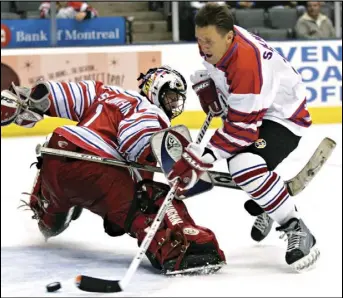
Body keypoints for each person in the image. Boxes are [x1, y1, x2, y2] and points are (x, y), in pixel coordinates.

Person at [0, 66, 225, 274]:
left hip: (57, 154)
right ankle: (181, 249)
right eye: (170, 96)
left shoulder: (104, 92)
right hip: (93, 169)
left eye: (177, 99)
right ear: (155, 89)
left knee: (51, 221)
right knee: (149, 199)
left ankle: (48, 213)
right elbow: (132, 140)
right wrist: (162, 158)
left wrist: (26, 101)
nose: (174, 103)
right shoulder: (149, 109)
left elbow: (55, 94)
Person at [167, 3, 319, 272]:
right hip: (257, 110)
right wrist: (216, 93)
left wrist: (204, 156)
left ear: (228, 36)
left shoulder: (248, 64)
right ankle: (270, 199)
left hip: (284, 118)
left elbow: (242, 130)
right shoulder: (218, 41)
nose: (203, 47)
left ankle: (295, 226)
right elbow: (235, 105)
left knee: (242, 167)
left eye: (208, 41)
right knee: (243, 166)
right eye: (199, 40)